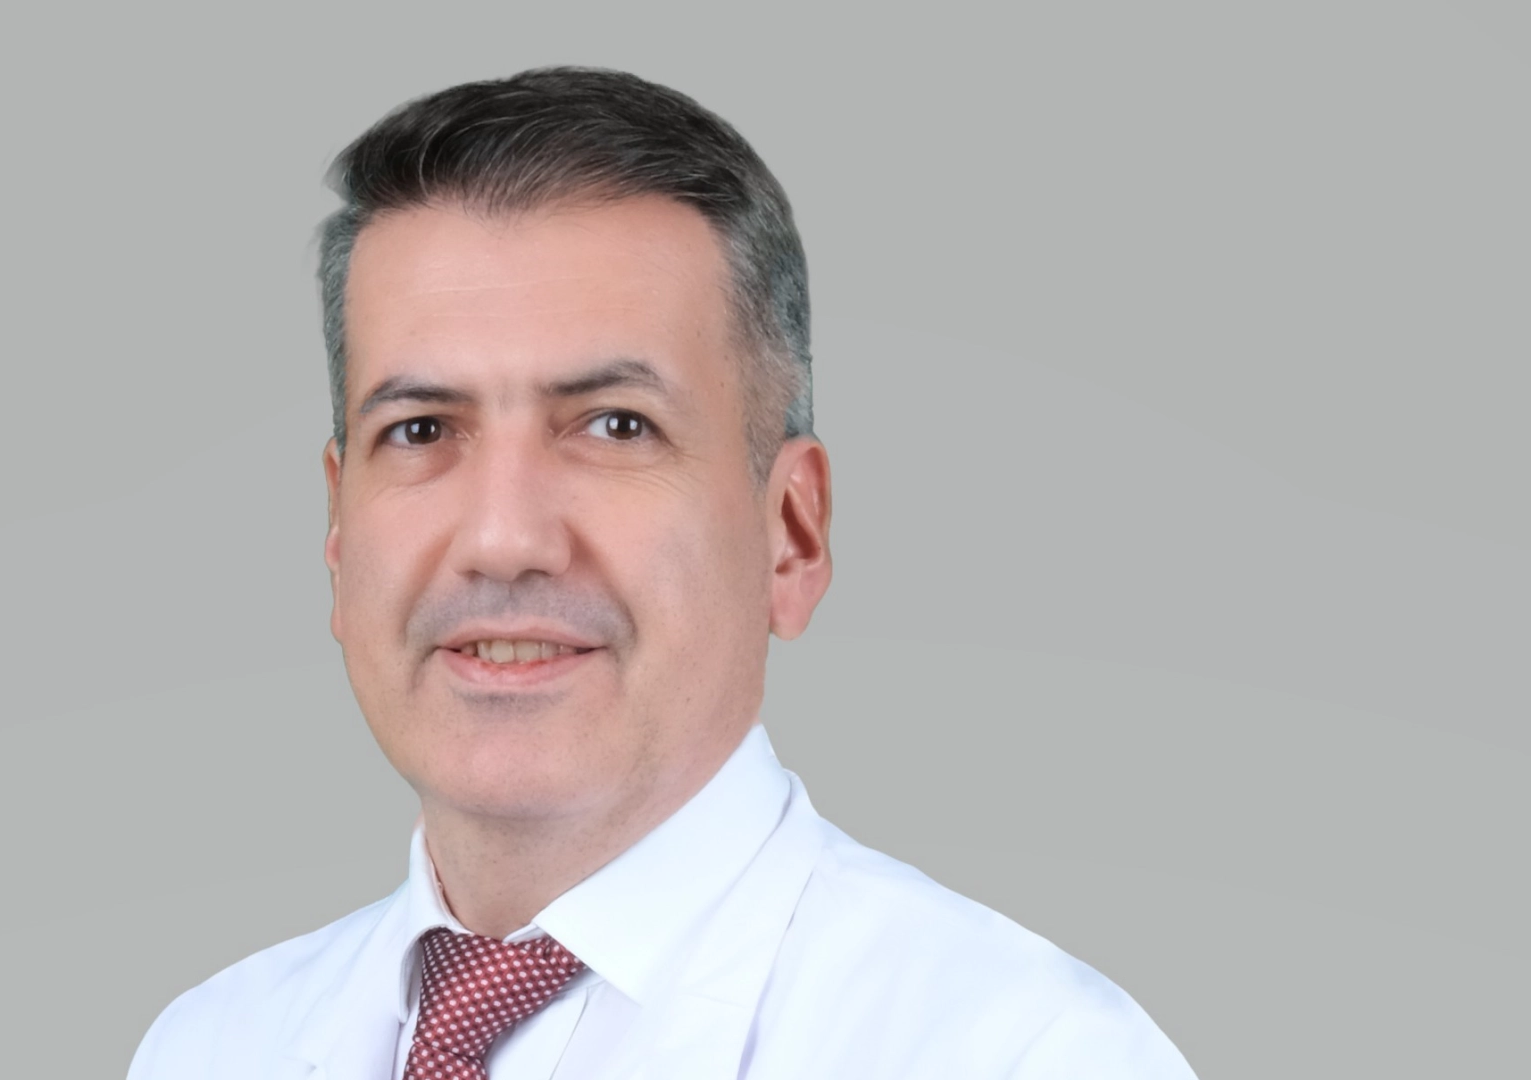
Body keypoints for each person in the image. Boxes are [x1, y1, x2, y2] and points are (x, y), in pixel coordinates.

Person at [127, 66, 1197, 1080]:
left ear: (791, 535)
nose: (502, 538)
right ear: (337, 530)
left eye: (614, 425)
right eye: (420, 431)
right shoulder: (211, 1047)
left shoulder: (1024, 1053)